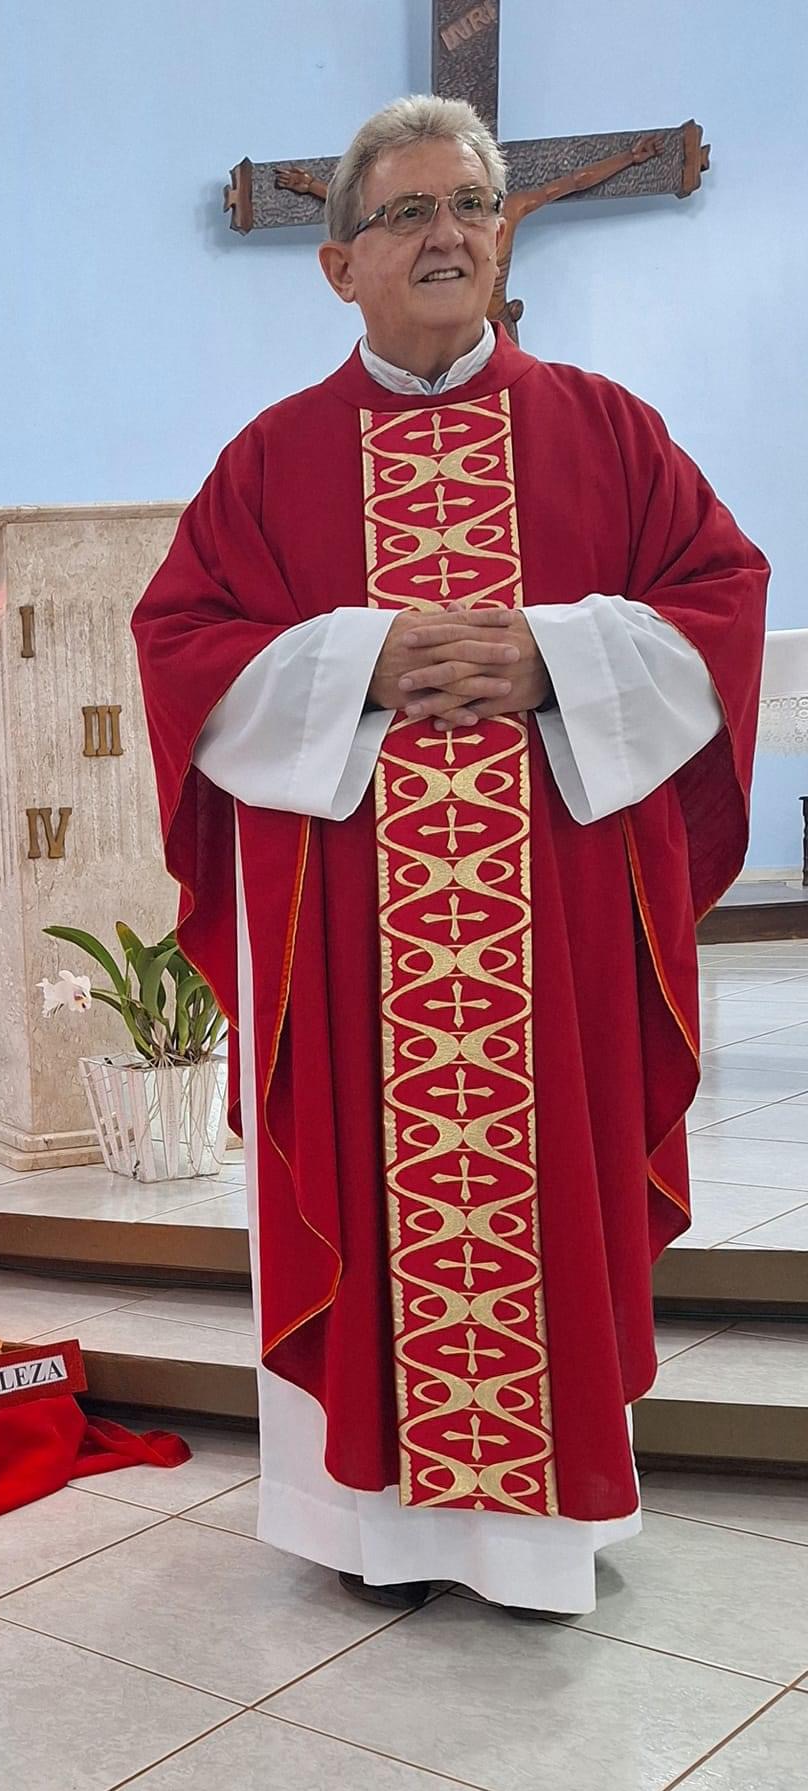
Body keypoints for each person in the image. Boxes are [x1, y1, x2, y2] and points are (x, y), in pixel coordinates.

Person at [134, 94, 767, 1615]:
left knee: (549, 1184)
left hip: (550, 941)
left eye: (471, 209)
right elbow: (181, 645)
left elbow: (721, 598)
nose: (446, 235)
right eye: (410, 212)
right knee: (356, 1165)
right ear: (338, 262)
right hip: (355, 942)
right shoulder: (271, 461)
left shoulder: (606, 430)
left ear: (501, 240)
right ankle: (371, 1530)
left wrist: (554, 657)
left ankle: (543, 1537)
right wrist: (359, 662)